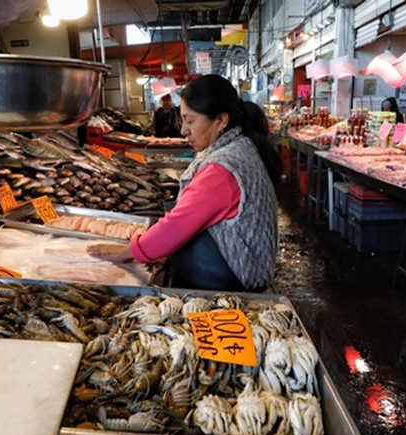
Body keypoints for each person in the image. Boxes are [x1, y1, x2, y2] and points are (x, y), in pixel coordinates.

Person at [88, 74, 281, 292]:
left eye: (190, 121)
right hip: (233, 275)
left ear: (221, 121)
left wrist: (127, 252)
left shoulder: (223, 168)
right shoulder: (240, 147)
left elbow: (177, 224)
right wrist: (165, 251)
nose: (183, 130)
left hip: (227, 284)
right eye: (182, 120)